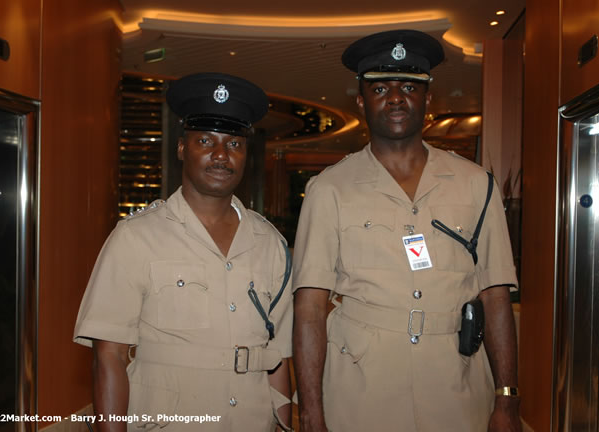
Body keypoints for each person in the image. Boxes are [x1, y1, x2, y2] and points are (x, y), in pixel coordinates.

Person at [292, 30, 521, 432]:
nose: (395, 97)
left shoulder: (475, 184)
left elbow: (495, 294)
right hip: (360, 390)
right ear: (361, 101)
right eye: (380, 87)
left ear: (428, 98)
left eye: (409, 86)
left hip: (456, 388)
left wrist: (506, 399)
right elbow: (310, 307)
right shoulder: (328, 189)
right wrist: (311, 412)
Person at [74, 72, 293, 432]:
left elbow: (279, 357)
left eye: (234, 144)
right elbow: (108, 357)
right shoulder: (135, 238)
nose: (221, 155)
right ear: (181, 148)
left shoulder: (269, 243)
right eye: (206, 140)